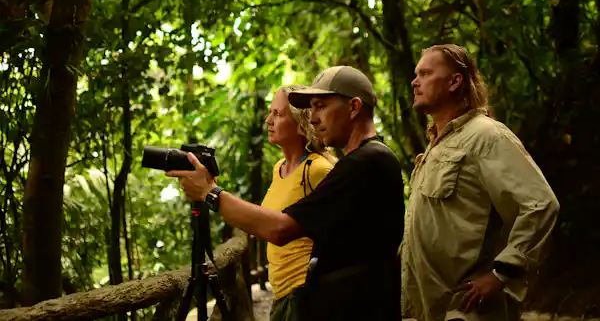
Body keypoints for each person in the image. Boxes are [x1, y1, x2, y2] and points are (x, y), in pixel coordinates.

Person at [166, 66, 405, 321]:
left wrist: (210, 193)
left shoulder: (366, 162)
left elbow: (281, 229)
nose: (313, 118)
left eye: (321, 106)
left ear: (354, 107)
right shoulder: (362, 160)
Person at [401, 44, 560, 321]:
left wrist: (502, 273)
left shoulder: (486, 136)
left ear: (455, 81)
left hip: (468, 310)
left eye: (425, 73)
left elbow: (540, 204)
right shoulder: (435, 146)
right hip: (430, 310)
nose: (415, 82)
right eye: (416, 74)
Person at [261, 84, 335, 321]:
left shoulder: (318, 169)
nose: (268, 121)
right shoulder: (278, 169)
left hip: (305, 292)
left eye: (278, 114)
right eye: (270, 112)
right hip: (280, 292)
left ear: (301, 124)